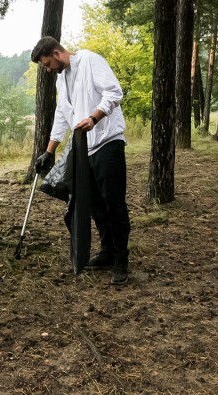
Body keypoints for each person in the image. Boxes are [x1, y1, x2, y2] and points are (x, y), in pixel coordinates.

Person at [31, 36, 131, 285]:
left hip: (108, 142)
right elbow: (61, 115)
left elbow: (114, 92)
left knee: (114, 203)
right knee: (95, 204)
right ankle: (107, 252)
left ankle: (121, 260)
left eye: (47, 64)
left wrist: (94, 118)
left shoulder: (90, 60)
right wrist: (49, 150)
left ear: (57, 53)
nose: (47, 69)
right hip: (84, 148)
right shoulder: (60, 79)